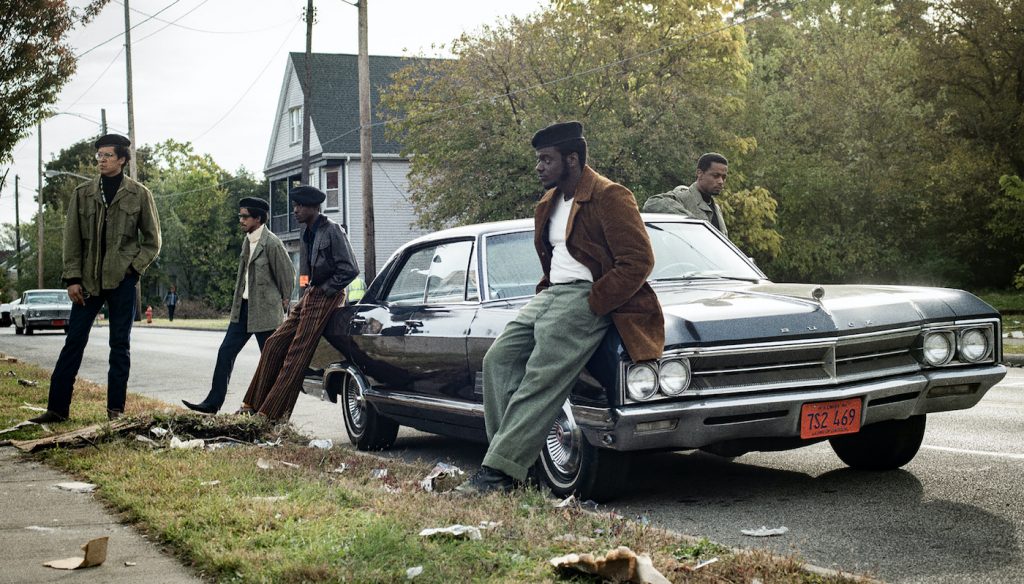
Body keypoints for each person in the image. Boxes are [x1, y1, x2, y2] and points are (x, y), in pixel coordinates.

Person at [455, 121, 664, 495]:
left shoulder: (609, 195)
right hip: (550, 294)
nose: (539, 167)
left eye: (546, 160)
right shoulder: (549, 203)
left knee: (541, 378)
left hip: (586, 296)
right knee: (498, 361)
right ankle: (512, 463)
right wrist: (546, 292)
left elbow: (638, 261)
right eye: (539, 160)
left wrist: (594, 302)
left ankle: (500, 474)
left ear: (572, 159)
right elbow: (554, 259)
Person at [29, 134, 162, 423]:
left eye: (107, 155)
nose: (101, 160)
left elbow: (153, 241)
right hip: (86, 283)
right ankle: (56, 409)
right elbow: (71, 239)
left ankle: (116, 411)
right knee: (73, 341)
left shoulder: (139, 194)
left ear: (122, 159)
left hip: (122, 282)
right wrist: (72, 278)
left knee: (120, 346)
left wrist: (133, 269)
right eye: (99, 156)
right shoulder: (83, 193)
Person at [237, 185, 359, 421]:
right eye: (294, 206)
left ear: (314, 207)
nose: (295, 210)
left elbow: (350, 269)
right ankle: (250, 405)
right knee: (273, 343)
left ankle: (269, 416)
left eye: (300, 206)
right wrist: (311, 290)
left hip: (327, 296)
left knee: (296, 355)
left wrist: (324, 290)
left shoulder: (332, 230)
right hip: (312, 294)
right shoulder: (309, 232)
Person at [181, 197, 295, 414]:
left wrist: (284, 304)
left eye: (245, 216)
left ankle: (273, 409)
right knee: (225, 352)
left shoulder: (272, 243)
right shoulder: (247, 241)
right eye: (240, 216)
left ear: (258, 218)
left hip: (266, 312)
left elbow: (288, 276)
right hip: (243, 309)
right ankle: (212, 403)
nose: (241, 220)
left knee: (270, 360)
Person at [643, 152, 729, 237]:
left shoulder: (716, 209)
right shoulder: (682, 197)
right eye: (715, 176)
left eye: (723, 177)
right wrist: (693, 222)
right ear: (700, 173)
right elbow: (651, 203)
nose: (720, 181)